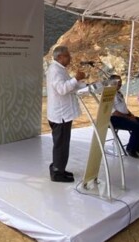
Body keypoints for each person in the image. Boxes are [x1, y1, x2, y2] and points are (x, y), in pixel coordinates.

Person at [46, 45, 86, 182]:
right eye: (67, 55)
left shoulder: (60, 69)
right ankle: (57, 173)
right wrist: (76, 79)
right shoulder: (55, 70)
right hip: (60, 115)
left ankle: (59, 168)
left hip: (63, 114)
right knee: (61, 145)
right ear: (60, 57)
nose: (70, 58)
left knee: (63, 144)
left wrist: (85, 85)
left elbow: (69, 85)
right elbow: (62, 89)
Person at [108, 74, 139, 158]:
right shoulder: (108, 94)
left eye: (120, 82)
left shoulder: (118, 93)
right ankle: (131, 148)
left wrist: (131, 115)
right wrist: (128, 117)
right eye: (118, 82)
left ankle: (138, 146)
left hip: (125, 116)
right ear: (111, 83)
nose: (120, 84)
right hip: (114, 119)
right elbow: (114, 112)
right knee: (138, 126)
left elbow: (123, 108)